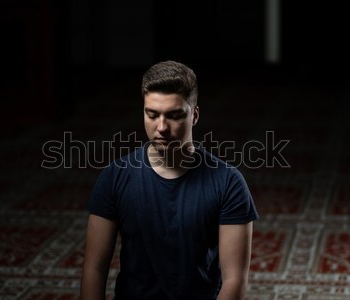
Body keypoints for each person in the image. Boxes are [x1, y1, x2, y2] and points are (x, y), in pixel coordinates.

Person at [80, 60, 259, 300]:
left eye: (174, 116)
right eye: (152, 115)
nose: (161, 127)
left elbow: (235, 280)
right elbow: (94, 270)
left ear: (194, 115)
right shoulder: (115, 176)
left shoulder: (229, 183)